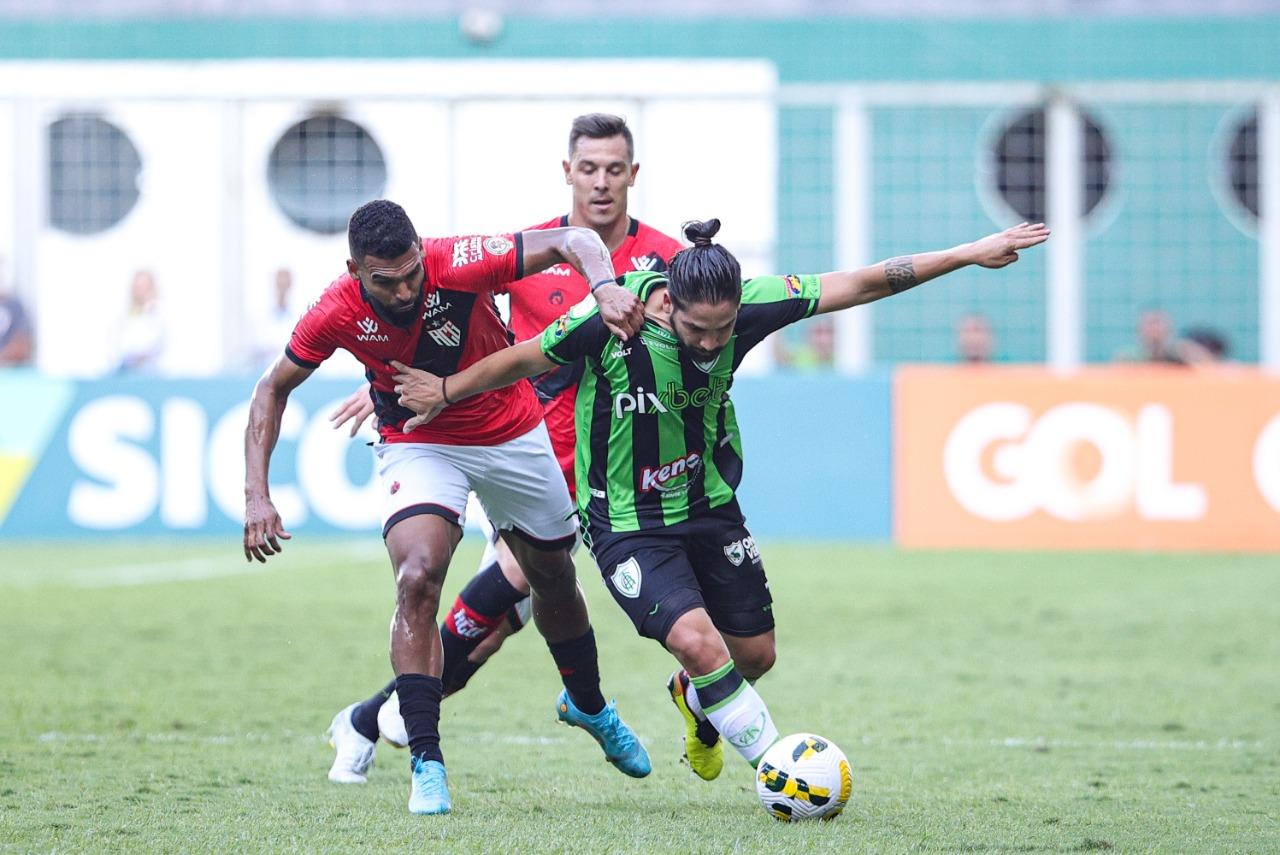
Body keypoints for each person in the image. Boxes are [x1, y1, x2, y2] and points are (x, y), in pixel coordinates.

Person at [387, 218, 1050, 783]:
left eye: (722, 329)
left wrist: (965, 253)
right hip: (626, 523)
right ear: (669, 304)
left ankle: (695, 701)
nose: (710, 343)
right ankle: (786, 773)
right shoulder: (613, 317)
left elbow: (863, 281)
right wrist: (443, 393)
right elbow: (524, 357)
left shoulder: (751, 306)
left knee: (754, 655)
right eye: (697, 330)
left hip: (708, 507)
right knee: (701, 646)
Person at [243, 199, 650, 815]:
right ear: (354, 270)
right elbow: (272, 388)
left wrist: (606, 287)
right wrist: (257, 496)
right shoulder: (335, 310)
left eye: (412, 273)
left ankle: (588, 705)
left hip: (511, 429)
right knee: (416, 577)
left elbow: (576, 239)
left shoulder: (455, 260)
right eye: (387, 280)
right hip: (419, 440)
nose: (406, 289)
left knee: (553, 579)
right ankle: (426, 763)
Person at [328, 114, 683, 759]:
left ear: (634, 175)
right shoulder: (532, 250)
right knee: (517, 581)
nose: (600, 183)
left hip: (626, 467)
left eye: (613, 169)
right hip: (537, 449)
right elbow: (455, 328)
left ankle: (372, 717)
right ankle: (391, 720)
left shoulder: (666, 259)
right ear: (568, 172)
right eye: (588, 168)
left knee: (496, 626)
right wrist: (381, 382)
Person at [116, 269, 164, 373]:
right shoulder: (123, 316)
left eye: (145, 288)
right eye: (138, 288)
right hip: (126, 372)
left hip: (153, 373)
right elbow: (120, 346)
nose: (141, 292)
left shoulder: (160, 314)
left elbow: (158, 344)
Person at [250, 268, 298, 370]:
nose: (282, 289)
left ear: (290, 286)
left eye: (285, 284)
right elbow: (256, 348)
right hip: (265, 372)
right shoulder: (260, 318)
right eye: (279, 284)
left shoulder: (299, 317)